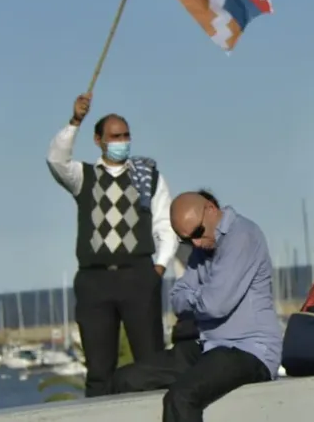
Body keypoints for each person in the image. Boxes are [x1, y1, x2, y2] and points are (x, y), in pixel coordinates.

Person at [46, 93, 177, 396]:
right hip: (94, 280)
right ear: (99, 140)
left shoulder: (147, 176)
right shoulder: (83, 177)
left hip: (138, 275)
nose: (122, 141)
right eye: (115, 136)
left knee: (152, 364)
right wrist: (75, 121)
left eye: (126, 135)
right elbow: (56, 159)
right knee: (98, 370)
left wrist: (158, 267)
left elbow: (165, 224)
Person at [164, 190, 282, 421]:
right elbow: (177, 299)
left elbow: (216, 306)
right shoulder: (201, 248)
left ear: (211, 209)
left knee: (182, 396)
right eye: (186, 240)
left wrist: (197, 297)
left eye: (197, 233)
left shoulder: (242, 235)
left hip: (251, 350)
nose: (195, 243)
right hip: (209, 346)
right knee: (126, 380)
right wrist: (203, 296)